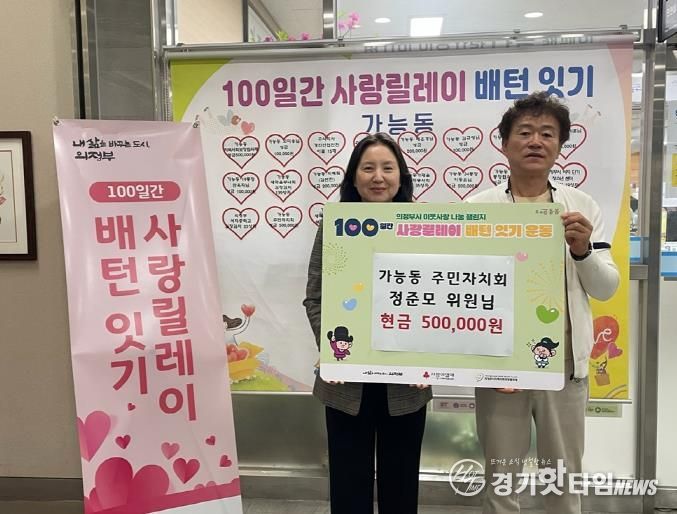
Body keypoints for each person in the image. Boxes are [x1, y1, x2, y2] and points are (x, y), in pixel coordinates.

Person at [468, 91, 620, 514]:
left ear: (560, 145)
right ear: (504, 143)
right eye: (525, 132)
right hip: (500, 365)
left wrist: (583, 251)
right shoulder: (478, 208)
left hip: (563, 367)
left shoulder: (581, 207)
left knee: (564, 479)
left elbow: (606, 288)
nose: (536, 141)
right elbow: (467, 292)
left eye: (547, 133)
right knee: (501, 480)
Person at [303, 132, 432, 514]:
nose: (378, 177)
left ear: (401, 177)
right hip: (346, 384)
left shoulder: (424, 226)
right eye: (368, 168)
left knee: (401, 488)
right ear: (354, 178)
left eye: (387, 168)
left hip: (406, 383)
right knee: (348, 489)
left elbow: (436, 298)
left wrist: (430, 356)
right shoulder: (335, 225)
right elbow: (315, 297)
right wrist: (334, 350)